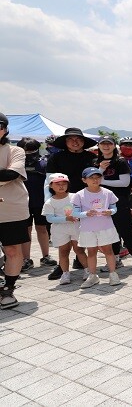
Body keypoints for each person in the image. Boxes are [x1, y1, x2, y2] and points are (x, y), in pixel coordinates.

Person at [45, 127, 97, 279]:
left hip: (84, 199)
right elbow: (48, 181)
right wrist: (48, 201)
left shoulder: (91, 157)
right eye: (71, 139)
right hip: (62, 200)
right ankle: (62, 267)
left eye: (79, 139)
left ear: (83, 141)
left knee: (82, 234)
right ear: (65, 142)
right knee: (63, 237)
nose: (75, 142)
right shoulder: (56, 158)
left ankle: (83, 262)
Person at [95, 136, 132, 271]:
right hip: (101, 202)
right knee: (110, 232)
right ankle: (115, 259)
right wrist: (100, 170)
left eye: (109, 144)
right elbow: (92, 180)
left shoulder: (121, 162)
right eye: (103, 144)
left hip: (119, 200)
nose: (106, 147)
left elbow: (124, 183)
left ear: (114, 146)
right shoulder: (95, 162)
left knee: (126, 230)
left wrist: (102, 181)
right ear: (99, 146)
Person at [72, 167, 121, 288]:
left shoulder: (108, 193)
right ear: (84, 180)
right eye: (91, 178)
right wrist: (85, 214)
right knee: (91, 251)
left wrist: (110, 211)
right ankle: (92, 275)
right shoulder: (79, 195)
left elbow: (114, 208)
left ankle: (113, 274)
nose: (95, 180)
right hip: (88, 228)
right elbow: (75, 212)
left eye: (98, 177)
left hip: (105, 226)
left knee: (108, 250)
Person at [0, 112, 30, 309]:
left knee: (12, 249)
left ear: (5, 129)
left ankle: (8, 289)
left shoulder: (15, 151)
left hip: (11, 208)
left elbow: (11, 174)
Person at [16, 137, 57, 271]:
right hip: (22, 202)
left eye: (32, 150)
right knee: (25, 231)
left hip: (40, 201)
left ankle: (46, 256)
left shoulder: (44, 163)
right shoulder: (16, 164)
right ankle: (26, 259)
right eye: (25, 150)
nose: (28, 153)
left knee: (42, 229)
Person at [41, 173, 88, 285]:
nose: (61, 186)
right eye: (57, 184)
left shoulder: (75, 196)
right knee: (63, 251)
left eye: (64, 184)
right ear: (51, 186)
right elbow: (50, 218)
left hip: (76, 227)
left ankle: (88, 271)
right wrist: (66, 218)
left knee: (79, 250)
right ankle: (65, 273)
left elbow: (82, 210)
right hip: (59, 230)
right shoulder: (49, 202)